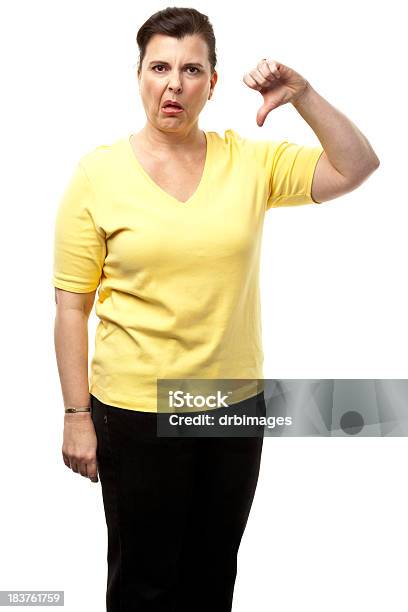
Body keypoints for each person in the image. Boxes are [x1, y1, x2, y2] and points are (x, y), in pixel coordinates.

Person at [53, 7, 380, 612]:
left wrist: (302, 94)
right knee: (144, 584)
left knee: (211, 579)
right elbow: (71, 306)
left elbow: (356, 165)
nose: (174, 84)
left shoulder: (249, 163)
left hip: (232, 406)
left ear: (213, 82)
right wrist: (77, 416)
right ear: (139, 75)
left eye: (191, 69)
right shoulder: (97, 176)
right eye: (160, 67)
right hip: (136, 409)